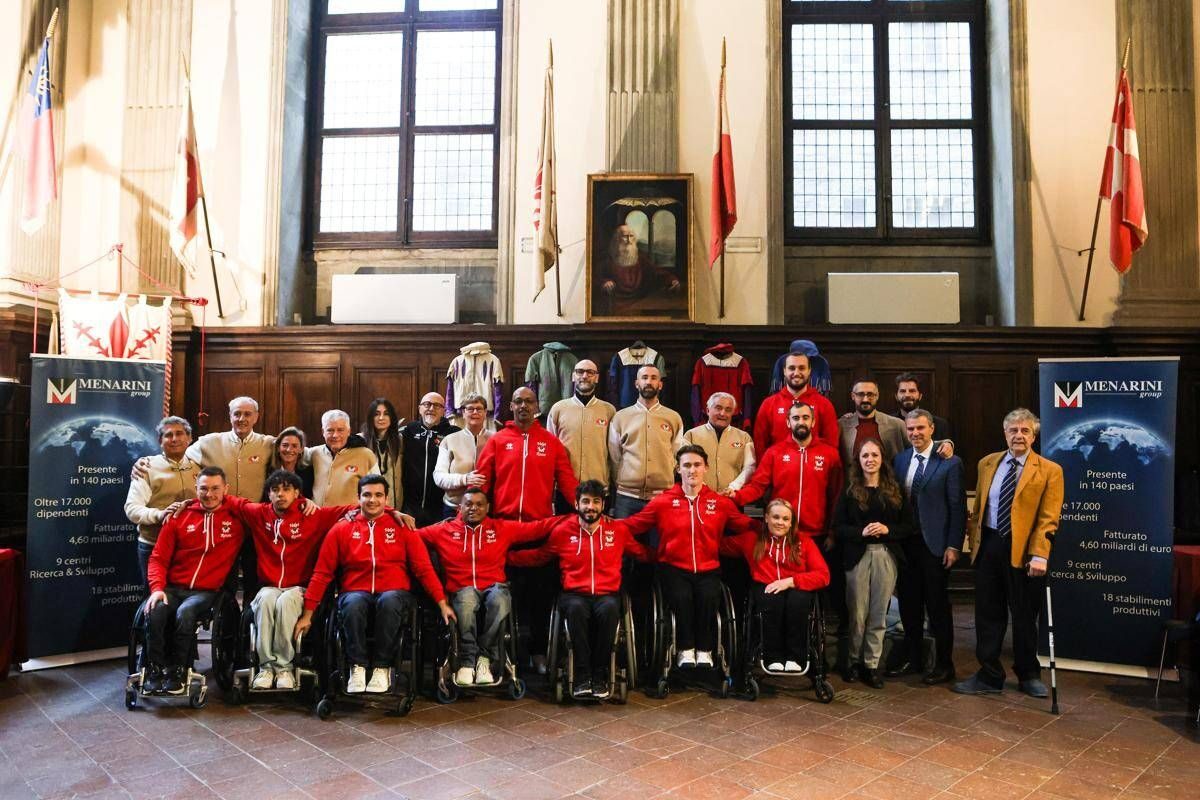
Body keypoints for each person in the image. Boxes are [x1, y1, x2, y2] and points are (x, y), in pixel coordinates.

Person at [296, 474, 454, 694]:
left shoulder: (402, 527)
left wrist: (442, 602)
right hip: (355, 591)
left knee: (389, 600)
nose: (372, 500)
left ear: (386, 499)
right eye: (367, 495)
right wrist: (307, 614)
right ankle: (357, 668)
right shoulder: (341, 529)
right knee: (352, 603)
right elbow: (322, 574)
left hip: (394, 592)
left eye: (379, 495)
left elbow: (424, 569)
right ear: (358, 498)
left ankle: (382, 668)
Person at [507, 480, 653, 698]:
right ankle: (582, 676)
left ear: (603, 505)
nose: (590, 507)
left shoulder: (618, 530)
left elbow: (640, 552)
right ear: (576, 504)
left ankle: (600, 675)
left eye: (596, 502)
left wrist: (668, 556)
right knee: (576, 609)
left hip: (607, 595)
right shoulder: (563, 531)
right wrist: (504, 557)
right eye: (585, 501)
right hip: (574, 594)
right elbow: (539, 556)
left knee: (609, 610)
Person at [954, 408, 1063, 698]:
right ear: (1005, 433)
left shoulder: (1050, 470)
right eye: (1013, 430)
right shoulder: (987, 463)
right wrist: (973, 542)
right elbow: (979, 507)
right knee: (988, 614)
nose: (1019, 435)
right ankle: (989, 675)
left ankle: (1028, 674)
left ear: (1034, 436)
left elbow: (1048, 518)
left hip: (1025, 552)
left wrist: (1040, 554)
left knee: (1025, 616)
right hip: (989, 545)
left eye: (1025, 431)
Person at [624, 445, 758, 668]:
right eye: (686, 465)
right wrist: (607, 528)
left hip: (709, 568)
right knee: (682, 597)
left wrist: (775, 527)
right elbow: (632, 526)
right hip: (673, 568)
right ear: (678, 469)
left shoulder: (720, 503)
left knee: (709, 597)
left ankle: (705, 649)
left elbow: (746, 525)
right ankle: (685, 648)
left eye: (697, 465)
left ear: (706, 468)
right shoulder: (663, 502)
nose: (692, 470)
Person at [226, 470, 361, 690]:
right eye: (275, 490)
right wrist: (186, 504)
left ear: (297, 493)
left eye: (286, 489)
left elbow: (360, 507)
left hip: (299, 587)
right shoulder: (259, 513)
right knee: (266, 600)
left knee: (286, 601)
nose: (280, 494)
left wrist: (394, 513)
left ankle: (284, 668)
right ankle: (266, 668)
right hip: (269, 586)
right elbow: (225, 499)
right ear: (269, 494)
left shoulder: (314, 515)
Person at [475, 386, 577, 672]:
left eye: (528, 401)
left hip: (539, 530)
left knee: (540, 595)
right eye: (518, 401)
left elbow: (568, 483)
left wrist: (585, 510)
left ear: (537, 407)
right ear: (510, 406)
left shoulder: (551, 443)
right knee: (499, 595)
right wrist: (468, 515)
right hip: (503, 529)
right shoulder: (497, 441)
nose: (523, 406)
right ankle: (497, 653)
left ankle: (538, 652)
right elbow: (482, 481)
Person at [415, 488, 557, 686]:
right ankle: (467, 662)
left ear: (488, 507)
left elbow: (537, 528)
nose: (474, 508)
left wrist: (571, 519)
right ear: (460, 507)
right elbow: (411, 536)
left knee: (499, 599)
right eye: (468, 504)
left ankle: (485, 659)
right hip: (461, 588)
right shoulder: (442, 530)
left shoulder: (501, 528)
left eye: (479, 504)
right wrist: (395, 515)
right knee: (466, 599)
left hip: (494, 586)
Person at [143, 467, 245, 695]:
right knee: (155, 610)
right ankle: (154, 670)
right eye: (204, 489)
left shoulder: (237, 519)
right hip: (172, 587)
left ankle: (179, 671)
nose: (209, 494)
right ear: (196, 489)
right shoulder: (179, 516)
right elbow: (158, 558)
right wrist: (157, 589)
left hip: (206, 591)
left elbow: (269, 512)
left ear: (226, 489)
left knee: (186, 612)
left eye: (216, 489)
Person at [888, 409, 966, 684]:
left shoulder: (949, 462)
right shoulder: (900, 460)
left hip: (935, 545)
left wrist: (954, 545)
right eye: (910, 429)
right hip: (906, 544)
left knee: (937, 607)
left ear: (932, 429)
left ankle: (945, 665)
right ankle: (914, 658)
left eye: (920, 428)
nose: (915, 433)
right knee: (909, 605)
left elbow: (957, 507)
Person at [834, 440, 913, 689]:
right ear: (859, 461)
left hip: (886, 554)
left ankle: (871, 664)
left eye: (875, 455)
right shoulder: (850, 491)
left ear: (882, 459)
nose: (870, 459)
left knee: (879, 613)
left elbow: (908, 526)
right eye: (865, 455)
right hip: (858, 555)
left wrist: (888, 529)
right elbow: (839, 527)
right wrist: (861, 532)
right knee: (857, 614)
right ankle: (853, 661)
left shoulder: (895, 490)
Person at [719, 498, 830, 671]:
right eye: (776, 517)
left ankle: (796, 657)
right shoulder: (751, 539)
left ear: (791, 522)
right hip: (765, 585)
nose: (780, 522)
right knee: (771, 600)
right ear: (766, 518)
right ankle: (772, 656)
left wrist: (791, 581)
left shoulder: (804, 541)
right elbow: (717, 545)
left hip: (796, 585)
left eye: (785, 519)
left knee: (797, 602)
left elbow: (823, 575)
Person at [183, 396, 275, 601]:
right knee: (225, 580)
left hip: (254, 524)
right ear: (230, 416)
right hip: (221, 524)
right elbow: (181, 460)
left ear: (256, 417)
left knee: (254, 577)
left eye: (247, 414)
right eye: (237, 414)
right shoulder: (209, 442)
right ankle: (226, 619)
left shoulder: (269, 444)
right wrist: (148, 463)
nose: (242, 419)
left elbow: (300, 454)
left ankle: (250, 618)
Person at [732, 402, 842, 542]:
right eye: (796, 418)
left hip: (817, 533)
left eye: (805, 417)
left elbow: (836, 496)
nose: (801, 422)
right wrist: (736, 495)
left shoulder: (830, 454)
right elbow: (757, 486)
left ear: (813, 422)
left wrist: (833, 531)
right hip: (781, 530)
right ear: (788, 422)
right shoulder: (774, 453)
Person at [125, 416, 200, 587]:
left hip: (190, 549)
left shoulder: (200, 467)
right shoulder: (146, 468)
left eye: (179, 434)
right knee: (155, 598)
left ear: (189, 438)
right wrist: (159, 515)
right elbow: (132, 509)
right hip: (154, 545)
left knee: (185, 596)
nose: (174, 439)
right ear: (160, 441)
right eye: (168, 435)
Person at [608, 365, 685, 522]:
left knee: (660, 539)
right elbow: (615, 456)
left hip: (662, 497)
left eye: (653, 378)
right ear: (637, 384)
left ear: (660, 384)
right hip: (626, 497)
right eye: (644, 378)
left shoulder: (673, 417)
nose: (648, 382)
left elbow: (677, 454)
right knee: (625, 537)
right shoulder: (621, 417)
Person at [546, 360, 617, 491]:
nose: (584, 376)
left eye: (590, 372)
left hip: (598, 487)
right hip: (565, 487)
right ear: (573, 376)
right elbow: (550, 450)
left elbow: (614, 452)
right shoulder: (558, 409)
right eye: (580, 372)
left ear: (597, 378)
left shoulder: (609, 410)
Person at [753, 352, 838, 454]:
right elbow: (759, 445)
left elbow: (831, 445)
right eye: (792, 368)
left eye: (802, 368)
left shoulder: (824, 404)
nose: (796, 373)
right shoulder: (768, 404)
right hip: (777, 463)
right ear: (784, 371)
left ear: (809, 371)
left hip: (813, 463)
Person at [401, 392, 460, 527]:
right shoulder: (409, 430)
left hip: (441, 506)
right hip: (410, 506)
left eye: (437, 406)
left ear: (444, 411)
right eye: (427, 404)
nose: (431, 408)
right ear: (420, 408)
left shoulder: (454, 433)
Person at [433, 393, 495, 519]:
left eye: (479, 409)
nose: (475, 412)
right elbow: (438, 476)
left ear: (485, 413)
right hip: (454, 509)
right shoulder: (449, 440)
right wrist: (465, 479)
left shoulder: (496, 439)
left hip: (487, 510)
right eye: (470, 409)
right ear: (463, 412)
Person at [682, 392, 756, 495]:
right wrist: (704, 490)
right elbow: (685, 467)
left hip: (732, 497)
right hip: (700, 496)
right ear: (708, 410)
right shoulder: (691, 435)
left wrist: (733, 487)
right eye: (718, 408)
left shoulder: (744, 437)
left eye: (728, 410)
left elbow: (750, 467)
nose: (722, 413)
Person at [597, 224, 680, 305]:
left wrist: (671, 280)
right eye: (625, 236)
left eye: (631, 236)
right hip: (617, 303)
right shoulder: (608, 259)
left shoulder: (641, 259)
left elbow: (657, 273)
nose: (629, 240)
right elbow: (597, 278)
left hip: (639, 301)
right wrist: (604, 283)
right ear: (617, 239)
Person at [837, 378, 907, 466]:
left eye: (870, 394)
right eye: (860, 394)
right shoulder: (841, 426)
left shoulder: (897, 425)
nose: (865, 399)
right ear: (853, 396)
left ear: (877, 396)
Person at [360, 398, 404, 508]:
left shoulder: (400, 440)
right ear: (371, 417)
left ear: (391, 417)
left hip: (395, 503)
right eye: (377, 414)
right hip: (369, 503)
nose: (381, 418)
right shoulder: (360, 441)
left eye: (386, 414)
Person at [894, 373, 954, 443]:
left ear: (920, 396)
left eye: (912, 391)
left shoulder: (940, 425)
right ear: (896, 396)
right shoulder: (888, 424)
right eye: (902, 391)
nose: (907, 395)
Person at [265, 427, 314, 499]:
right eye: (285, 445)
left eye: (294, 446)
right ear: (278, 448)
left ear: (301, 449)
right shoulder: (267, 472)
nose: (289, 449)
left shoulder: (308, 473)